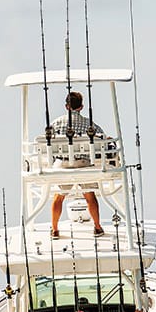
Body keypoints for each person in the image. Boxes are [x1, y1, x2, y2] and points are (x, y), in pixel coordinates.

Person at [50, 90, 105, 238]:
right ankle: (98, 227)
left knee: (59, 196)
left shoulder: (56, 123)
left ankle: (55, 229)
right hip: (83, 165)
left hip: (62, 165)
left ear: (66, 106)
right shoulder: (89, 124)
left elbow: (47, 141)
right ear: (81, 107)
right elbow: (102, 139)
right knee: (90, 196)